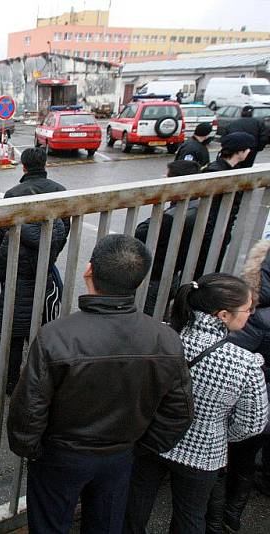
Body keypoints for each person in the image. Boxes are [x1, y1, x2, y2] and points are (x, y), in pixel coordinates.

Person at [8, 234, 194, 534]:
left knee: (49, 523)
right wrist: (139, 447)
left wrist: (32, 450)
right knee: (106, 523)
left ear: (88, 271)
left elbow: (29, 409)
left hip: (61, 455)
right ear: (138, 280)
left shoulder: (57, 336)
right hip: (120, 455)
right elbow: (180, 412)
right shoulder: (166, 339)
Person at [124, 273, 268, 534]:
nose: (251, 314)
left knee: (133, 508)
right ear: (223, 315)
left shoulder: (163, 336)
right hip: (203, 454)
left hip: (151, 438)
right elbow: (253, 424)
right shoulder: (245, 363)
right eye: (248, 309)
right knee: (190, 517)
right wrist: (218, 433)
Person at [0, 147, 68, 394]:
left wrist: (2, 269)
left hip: (17, 272)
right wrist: (50, 256)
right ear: (45, 163)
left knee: (13, 332)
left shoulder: (13, 194)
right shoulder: (59, 192)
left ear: (23, 166)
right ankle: (39, 384)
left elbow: (3, 237)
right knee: (42, 328)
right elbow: (62, 232)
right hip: (45, 269)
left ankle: (10, 382)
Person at [219, 240, 270, 531]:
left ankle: (228, 514)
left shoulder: (256, 318)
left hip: (258, 401)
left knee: (243, 455)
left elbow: (234, 361)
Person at [135, 159, 202, 317]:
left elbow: (142, 232)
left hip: (155, 278)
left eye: (167, 176)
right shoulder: (199, 207)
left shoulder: (171, 217)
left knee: (147, 317)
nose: (164, 179)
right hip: (173, 274)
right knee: (161, 313)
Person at [196, 132, 256, 277]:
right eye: (247, 149)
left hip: (219, 231)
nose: (249, 152)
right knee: (203, 269)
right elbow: (210, 209)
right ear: (239, 151)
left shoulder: (228, 171)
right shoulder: (217, 173)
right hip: (212, 233)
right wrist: (210, 236)